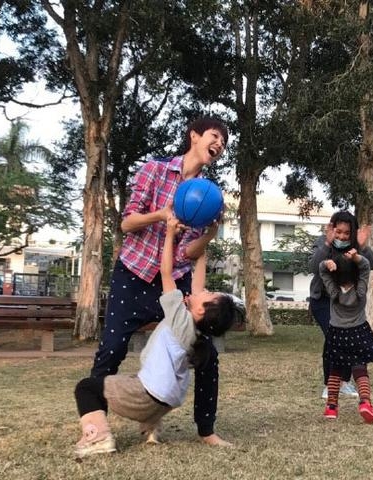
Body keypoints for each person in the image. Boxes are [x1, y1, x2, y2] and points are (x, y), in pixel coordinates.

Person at [90, 117, 233, 445]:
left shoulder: (207, 194)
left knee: (206, 354)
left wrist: (210, 231)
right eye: (215, 136)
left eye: (224, 143)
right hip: (133, 274)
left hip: (173, 279)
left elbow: (188, 253)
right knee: (112, 348)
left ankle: (207, 431)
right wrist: (161, 215)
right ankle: (95, 425)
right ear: (194, 136)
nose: (219, 145)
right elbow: (127, 223)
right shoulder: (154, 170)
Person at [74, 214, 235, 458]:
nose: (205, 290)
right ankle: (151, 427)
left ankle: (98, 438)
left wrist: (169, 233)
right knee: (135, 378)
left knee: (86, 388)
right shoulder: (197, 332)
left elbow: (166, 273)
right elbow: (198, 280)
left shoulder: (179, 317)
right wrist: (207, 237)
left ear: (202, 310)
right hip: (165, 403)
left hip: (147, 398)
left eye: (210, 293)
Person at [308, 211, 373, 400]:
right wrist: (327, 244)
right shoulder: (323, 241)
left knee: (349, 338)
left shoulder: (356, 245)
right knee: (333, 338)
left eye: (347, 233)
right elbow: (313, 267)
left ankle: (344, 382)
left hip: (346, 302)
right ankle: (329, 384)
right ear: (332, 229)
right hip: (323, 300)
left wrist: (362, 247)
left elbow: (371, 264)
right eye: (338, 232)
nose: (342, 236)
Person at [319, 248, 373, 422]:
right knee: (360, 368)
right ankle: (365, 403)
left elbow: (322, 271)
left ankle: (331, 407)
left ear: (335, 276)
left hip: (336, 332)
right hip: (358, 331)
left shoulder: (333, 292)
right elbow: (366, 266)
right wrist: (356, 257)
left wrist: (326, 264)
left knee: (335, 369)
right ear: (355, 275)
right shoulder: (360, 291)